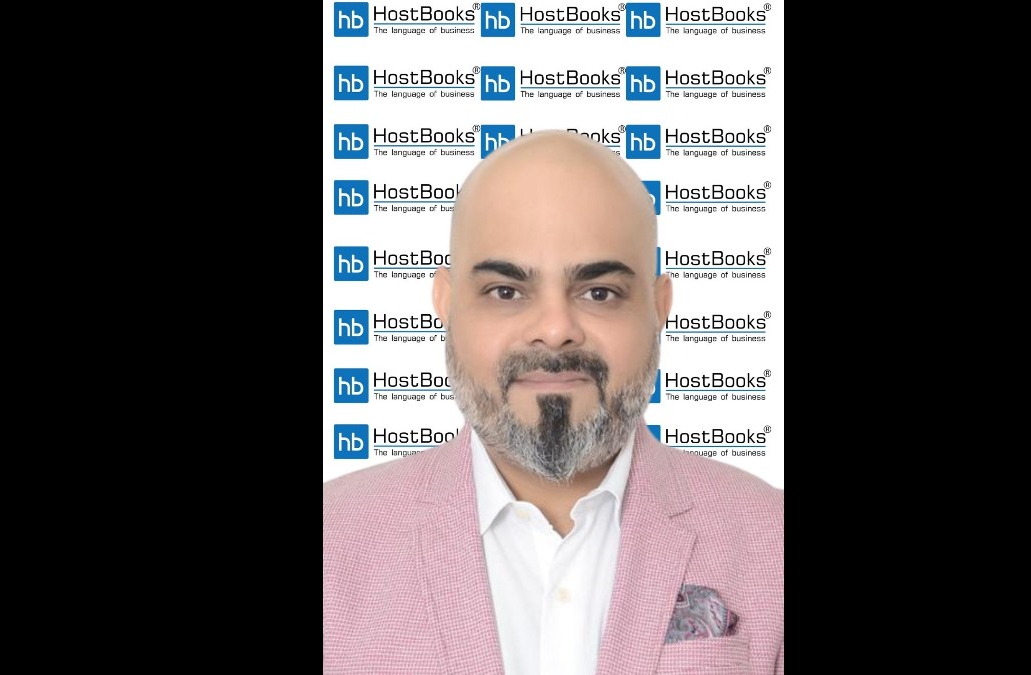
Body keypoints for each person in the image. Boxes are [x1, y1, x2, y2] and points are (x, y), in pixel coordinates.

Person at [324, 131, 783, 674]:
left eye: (599, 292)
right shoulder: (334, 539)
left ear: (659, 306)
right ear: (445, 303)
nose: (555, 329)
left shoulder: (771, 538)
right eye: (506, 291)